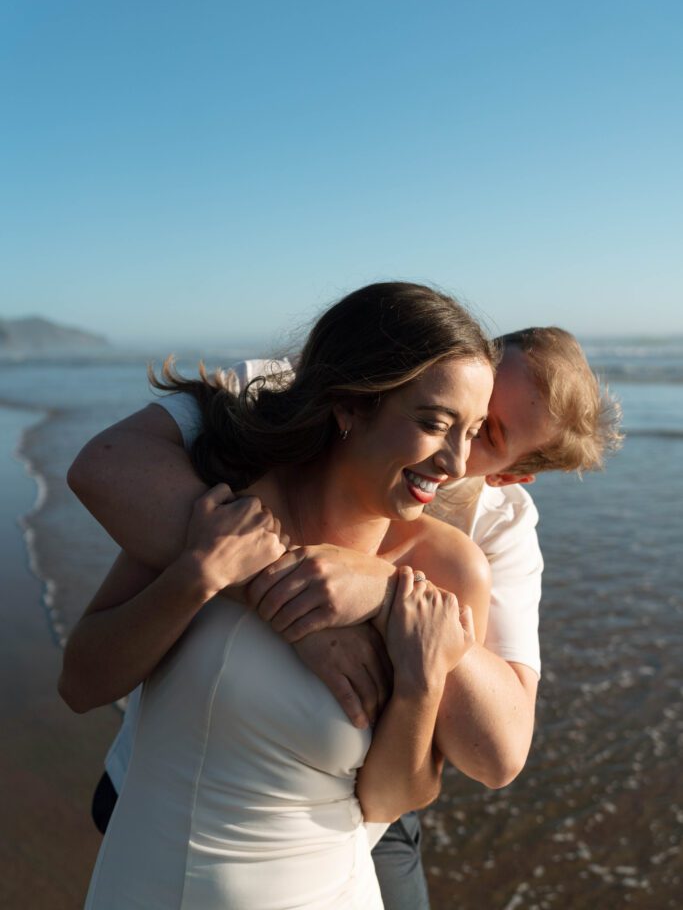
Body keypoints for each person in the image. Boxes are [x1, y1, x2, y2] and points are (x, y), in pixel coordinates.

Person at [64, 321, 622, 910]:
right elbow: (107, 465)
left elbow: (496, 753)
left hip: (352, 821)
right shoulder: (267, 419)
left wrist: (384, 594)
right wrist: (292, 603)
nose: (456, 450)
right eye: (442, 412)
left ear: (508, 474)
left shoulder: (480, 547)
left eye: (484, 430)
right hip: (162, 776)